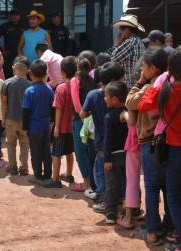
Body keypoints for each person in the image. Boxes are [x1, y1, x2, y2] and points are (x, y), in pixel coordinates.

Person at [139, 43, 181, 251]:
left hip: (174, 151)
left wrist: (148, 83)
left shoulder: (166, 89)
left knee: (175, 197)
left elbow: (142, 105)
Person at [125, 48, 172, 242]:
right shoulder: (170, 85)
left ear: (153, 69)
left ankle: (152, 230)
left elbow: (129, 102)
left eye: (144, 66)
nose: (141, 69)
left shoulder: (149, 88)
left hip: (150, 142)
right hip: (168, 141)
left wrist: (139, 81)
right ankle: (170, 226)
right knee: (169, 187)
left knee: (152, 186)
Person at [80, 62, 125, 212]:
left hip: (101, 142)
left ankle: (106, 199)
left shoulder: (93, 95)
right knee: (122, 174)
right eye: (121, 78)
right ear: (114, 79)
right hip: (122, 143)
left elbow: (83, 114)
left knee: (101, 171)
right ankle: (122, 200)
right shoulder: (123, 94)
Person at [42, 56, 77, 188]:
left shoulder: (61, 88)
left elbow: (58, 109)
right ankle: (69, 174)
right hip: (72, 127)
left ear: (63, 72)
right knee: (69, 152)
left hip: (62, 127)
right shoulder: (77, 86)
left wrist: (56, 127)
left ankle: (55, 179)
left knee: (56, 154)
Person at [22, 59, 54, 185]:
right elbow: (53, 108)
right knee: (46, 151)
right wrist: (51, 122)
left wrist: (25, 128)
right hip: (46, 126)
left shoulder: (29, 91)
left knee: (35, 152)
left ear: (30, 73)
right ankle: (47, 176)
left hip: (33, 127)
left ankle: (37, 175)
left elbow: (26, 111)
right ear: (45, 74)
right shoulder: (49, 89)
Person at [70, 51, 97, 194]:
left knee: (81, 152)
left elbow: (76, 105)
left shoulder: (75, 80)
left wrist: (84, 120)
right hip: (94, 120)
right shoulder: (95, 77)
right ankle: (95, 182)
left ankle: (87, 182)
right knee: (92, 152)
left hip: (80, 121)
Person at [102, 81, 128, 224]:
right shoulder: (130, 113)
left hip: (113, 156)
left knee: (112, 185)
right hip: (128, 155)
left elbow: (108, 140)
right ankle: (133, 209)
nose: (104, 99)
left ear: (115, 99)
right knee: (129, 183)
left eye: (106, 96)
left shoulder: (109, 117)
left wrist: (107, 159)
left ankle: (111, 212)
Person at [2, 56, 32, 176]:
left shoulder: (6, 83)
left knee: (10, 144)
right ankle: (24, 168)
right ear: (27, 70)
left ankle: (12, 167)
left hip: (10, 118)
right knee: (24, 144)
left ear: (13, 68)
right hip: (25, 120)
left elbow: (4, 103)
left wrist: (3, 118)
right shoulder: (30, 85)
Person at [110, 14, 145, 88]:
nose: (121, 32)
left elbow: (113, 58)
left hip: (129, 85)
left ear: (130, 29)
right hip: (136, 83)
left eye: (123, 29)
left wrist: (116, 43)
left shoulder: (131, 42)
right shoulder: (138, 41)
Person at [0, 9, 24, 79]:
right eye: (12, 15)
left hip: (21, 54)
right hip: (8, 55)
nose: (14, 16)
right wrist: (1, 50)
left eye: (16, 15)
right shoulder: (5, 26)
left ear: (19, 16)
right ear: (10, 16)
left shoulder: (24, 26)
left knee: (21, 74)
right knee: (8, 74)